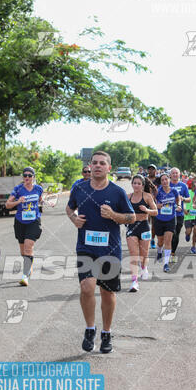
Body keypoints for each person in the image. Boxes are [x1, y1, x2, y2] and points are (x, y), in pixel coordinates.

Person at [66, 151, 135, 354]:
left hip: (110, 249)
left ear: (108, 168)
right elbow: (70, 209)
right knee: (87, 287)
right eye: (94, 163)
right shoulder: (79, 188)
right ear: (90, 166)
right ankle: (90, 329)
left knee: (107, 291)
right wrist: (74, 219)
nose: (97, 166)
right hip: (85, 248)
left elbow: (131, 217)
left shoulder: (117, 192)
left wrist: (114, 215)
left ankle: (106, 332)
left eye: (102, 163)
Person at [5, 166, 43, 286]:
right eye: (25, 175)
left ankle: (25, 276)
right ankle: (29, 265)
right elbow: (7, 205)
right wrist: (18, 201)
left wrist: (45, 202)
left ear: (33, 177)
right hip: (20, 222)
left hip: (34, 221)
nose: (27, 177)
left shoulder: (38, 189)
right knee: (23, 251)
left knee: (28, 246)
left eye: (29, 175)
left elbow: (40, 200)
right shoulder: (18, 189)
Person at [125, 174, 157, 291]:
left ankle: (144, 267)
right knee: (134, 255)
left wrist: (147, 210)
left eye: (139, 183)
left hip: (144, 227)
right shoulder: (128, 197)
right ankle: (134, 282)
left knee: (144, 255)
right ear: (132, 184)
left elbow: (155, 212)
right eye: (134, 183)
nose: (136, 185)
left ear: (143, 185)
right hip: (131, 228)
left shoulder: (147, 196)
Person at [154, 173, 180, 273]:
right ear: (161, 182)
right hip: (159, 219)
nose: (164, 181)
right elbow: (151, 201)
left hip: (171, 219)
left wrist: (179, 205)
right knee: (160, 241)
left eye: (166, 179)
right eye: (162, 180)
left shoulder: (174, 191)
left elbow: (178, 199)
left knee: (168, 241)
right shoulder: (158, 191)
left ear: (169, 180)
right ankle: (159, 251)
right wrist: (156, 205)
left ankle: (166, 264)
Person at [169, 167, 191, 263]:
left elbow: (189, 199)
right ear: (170, 175)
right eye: (173, 173)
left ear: (179, 175)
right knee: (169, 234)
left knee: (175, 234)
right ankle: (167, 250)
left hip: (179, 213)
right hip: (167, 214)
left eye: (176, 173)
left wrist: (183, 199)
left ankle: (172, 253)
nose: (174, 175)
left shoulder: (183, 186)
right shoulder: (166, 184)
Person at [146, 164, 161, 249]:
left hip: (156, 204)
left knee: (154, 224)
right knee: (146, 223)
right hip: (146, 203)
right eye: (149, 169)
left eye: (153, 169)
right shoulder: (145, 179)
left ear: (156, 170)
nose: (151, 171)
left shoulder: (159, 180)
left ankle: (152, 239)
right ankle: (146, 239)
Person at [184, 178, 196, 254]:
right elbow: (182, 201)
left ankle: (193, 246)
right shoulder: (188, 192)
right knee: (189, 231)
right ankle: (187, 234)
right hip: (188, 215)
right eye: (194, 186)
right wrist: (184, 209)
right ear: (192, 186)